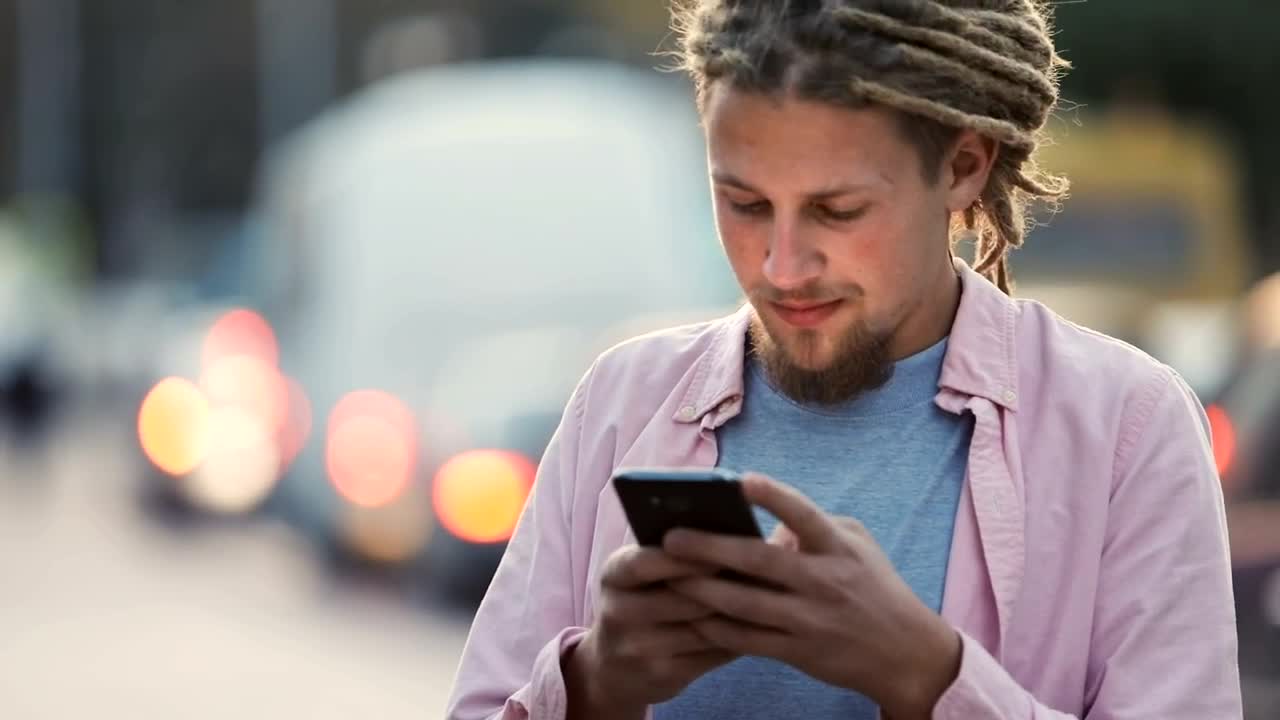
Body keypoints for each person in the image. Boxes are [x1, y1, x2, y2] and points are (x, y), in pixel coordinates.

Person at [446, 1, 1242, 718]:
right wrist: (592, 684)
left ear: (964, 166)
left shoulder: (1125, 428)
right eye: (745, 203)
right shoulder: (622, 400)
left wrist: (928, 677)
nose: (781, 267)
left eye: (837, 209)